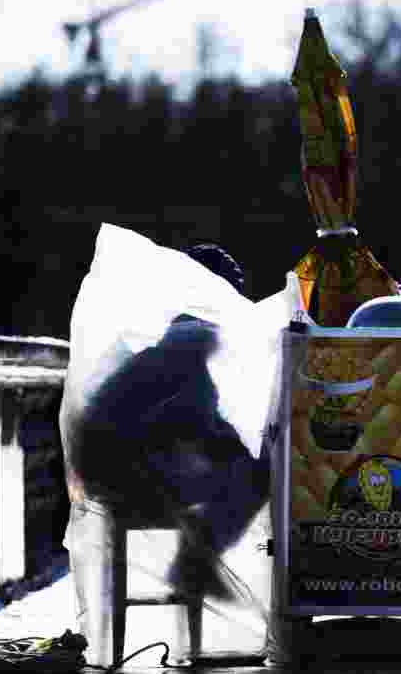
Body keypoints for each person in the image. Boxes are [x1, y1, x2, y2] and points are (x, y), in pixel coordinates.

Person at [70, 243, 269, 599]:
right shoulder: (196, 336)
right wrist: (232, 440)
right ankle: (193, 563)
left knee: (240, 464)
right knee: (259, 472)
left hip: (101, 467)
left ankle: (196, 559)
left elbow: (178, 413)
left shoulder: (168, 331)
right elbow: (192, 416)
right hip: (127, 475)